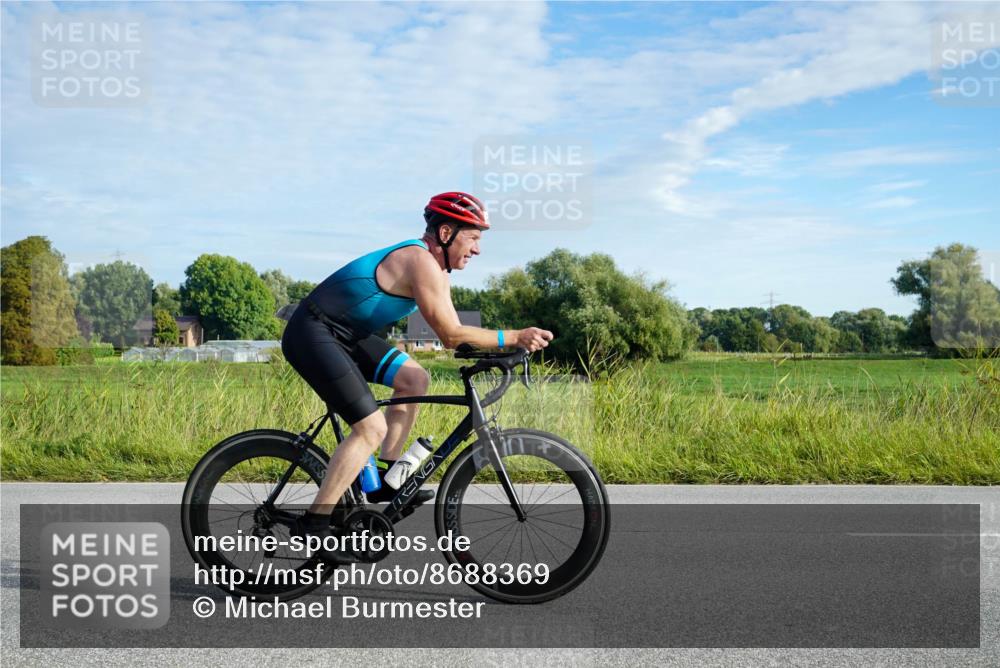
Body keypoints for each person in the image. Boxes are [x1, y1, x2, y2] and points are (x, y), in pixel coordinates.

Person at [281, 192, 553, 559]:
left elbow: (459, 338)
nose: (477, 249)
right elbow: (451, 334)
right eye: (473, 238)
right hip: (312, 332)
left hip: (346, 335)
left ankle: (386, 479)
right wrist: (514, 337)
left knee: (414, 379)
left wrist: (501, 351)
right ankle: (315, 524)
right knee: (370, 428)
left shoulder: (437, 271)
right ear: (445, 232)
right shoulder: (419, 261)